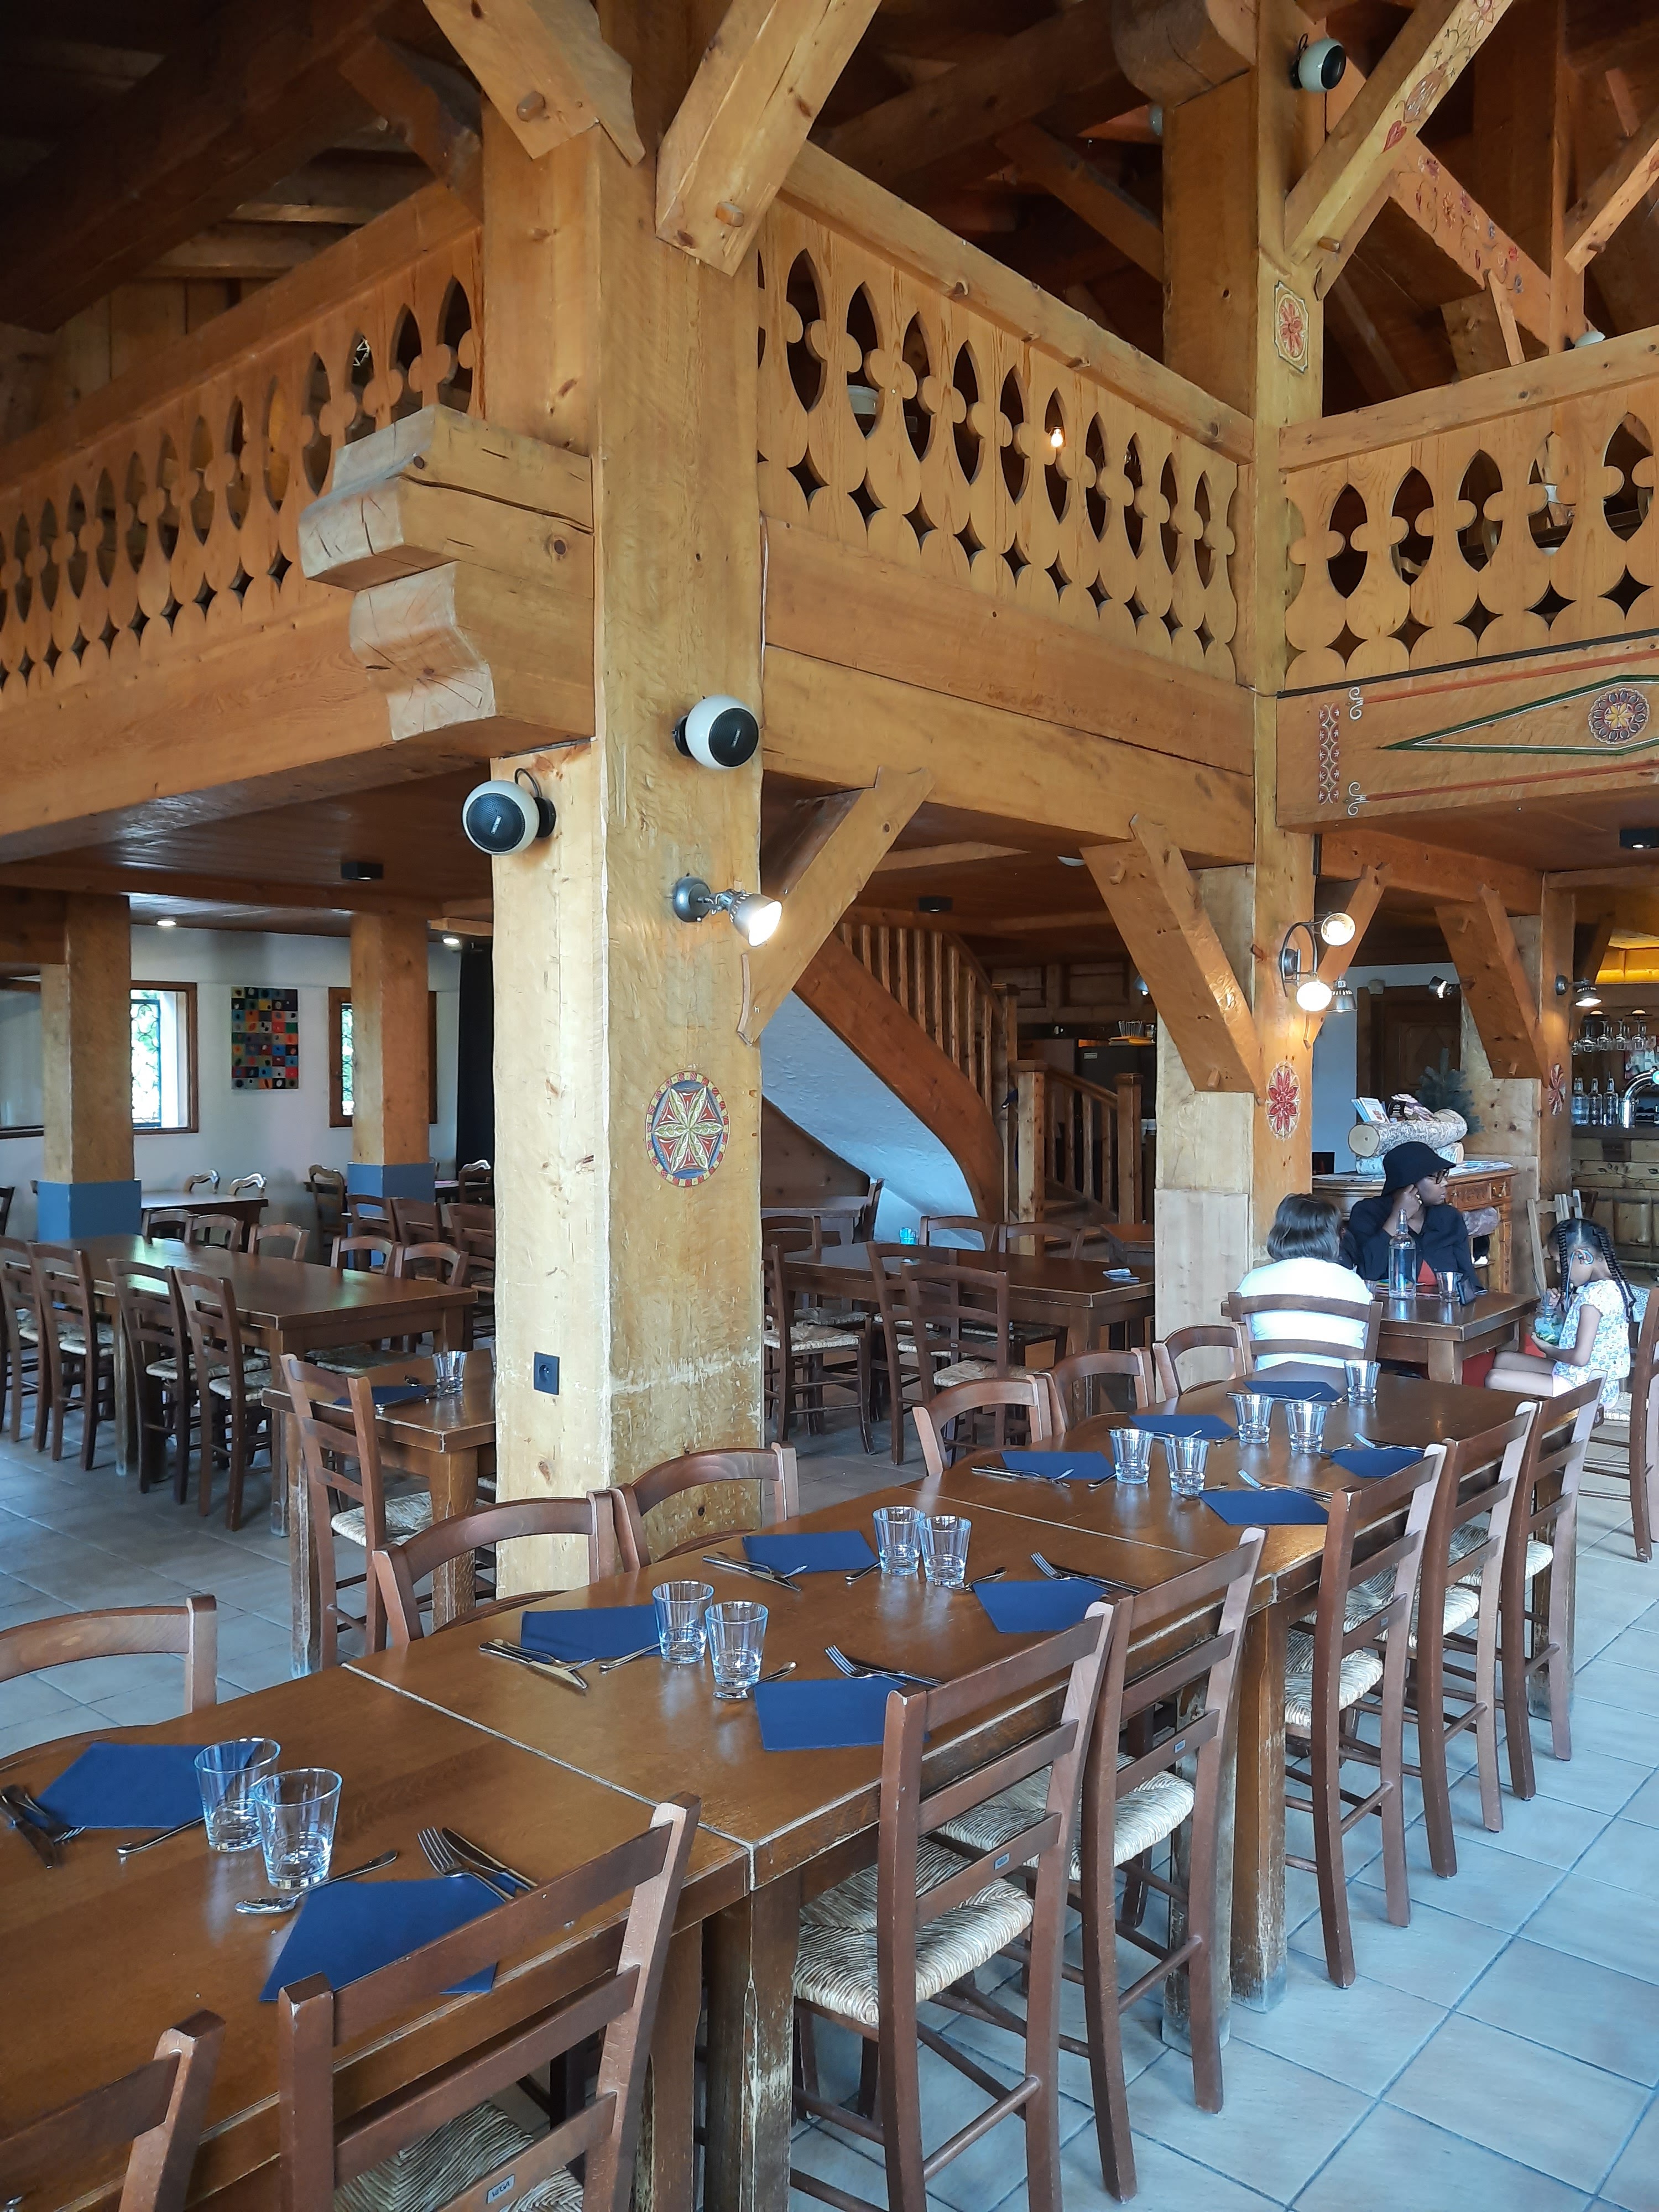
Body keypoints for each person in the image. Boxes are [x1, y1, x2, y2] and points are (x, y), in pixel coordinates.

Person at [1488, 1217, 1635, 1410]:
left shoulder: (1593, 1298)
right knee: (1503, 1359)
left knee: (1494, 1379)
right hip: (1585, 1378)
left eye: (1560, 1263)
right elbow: (1587, 1337)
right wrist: (1558, 1312)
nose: (1559, 1271)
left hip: (1586, 1389)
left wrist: (1549, 1350)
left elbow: (1580, 1358)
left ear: (1582, 1257)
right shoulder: (1612, 1287)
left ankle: (1527, 1424)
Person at [1234, 1194, 1374, 1369]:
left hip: (1269, 1384)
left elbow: (1241, 1357)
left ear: (1279, 1233)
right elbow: (1362, 1354)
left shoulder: (1253, 1281)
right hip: (1339, 1385)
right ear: (1335, 1236)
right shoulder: (1355, 1283)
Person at [1342, 1140, 1481, 1297]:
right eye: (1436, 1177)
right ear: (1410, 1183)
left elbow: (1470, 1282)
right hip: (1390, 1309)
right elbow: (1367, 1274)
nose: (1444, 1182)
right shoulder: (1368, 1213)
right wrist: (1398, 1217)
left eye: (1444, 1174)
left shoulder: (1449, 1218)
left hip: (1447, 1308)